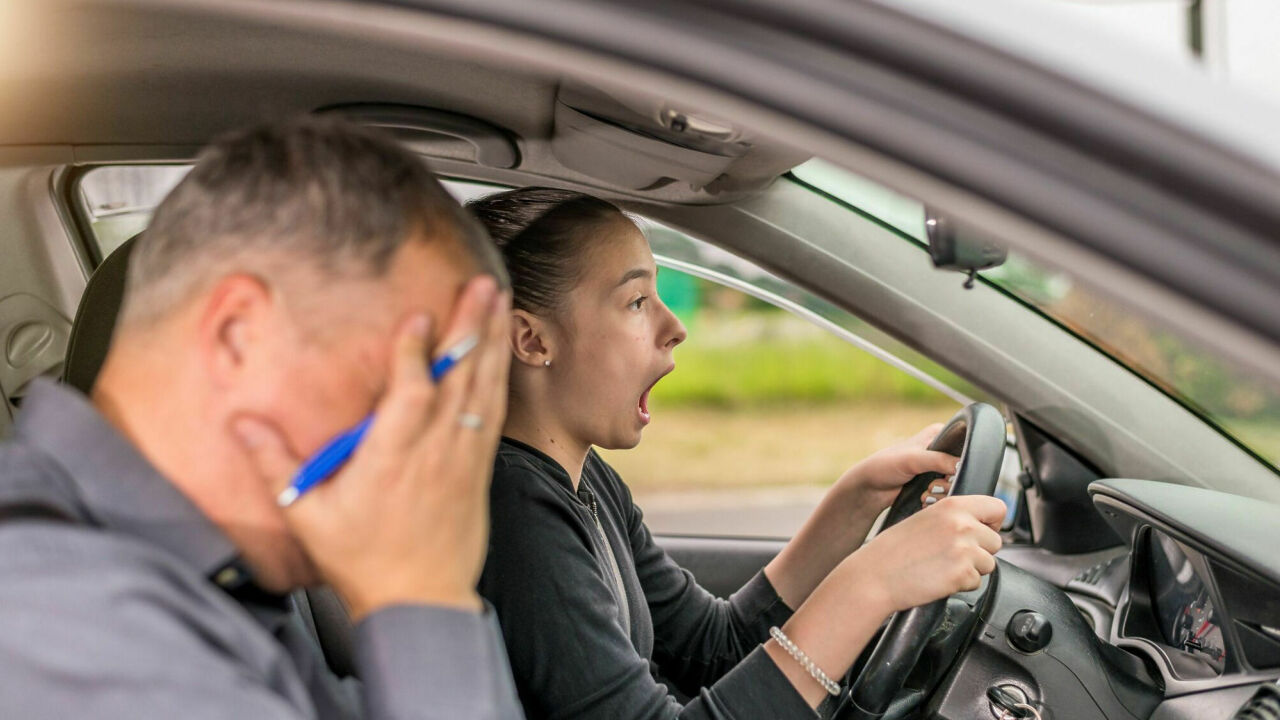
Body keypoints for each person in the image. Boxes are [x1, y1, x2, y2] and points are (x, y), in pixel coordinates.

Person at [0, 117, 523, 719]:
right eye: (409, 388)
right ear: (238, 336)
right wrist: (421, 595)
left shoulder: (211, 583)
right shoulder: (58, 617)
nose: (432, 448)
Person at [470, 188, 1006, 719]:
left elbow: (714, 647)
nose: (675, 328)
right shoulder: (516, 511)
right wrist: (872, 584)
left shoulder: (586, 483)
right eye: (636, 302)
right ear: (532, 340)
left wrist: (858, 498)